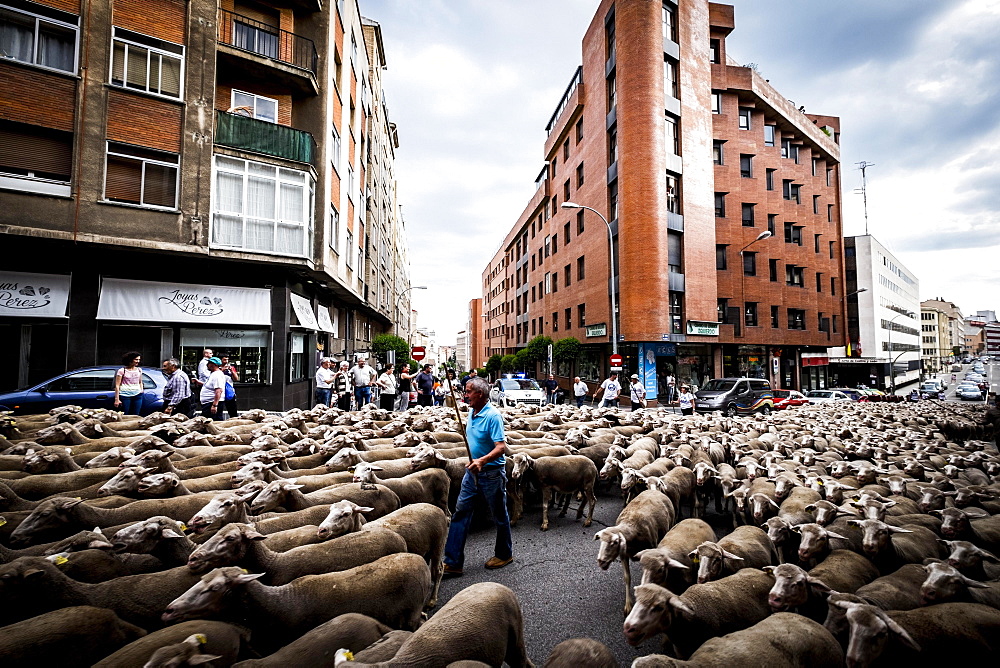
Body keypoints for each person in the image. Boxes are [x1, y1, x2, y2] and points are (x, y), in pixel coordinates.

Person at [443, 377, 514, 576]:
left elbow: (501, 447)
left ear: (480, 394)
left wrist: (482, 461)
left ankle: (504, 553)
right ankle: (453, 562)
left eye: (468, 391)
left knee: (499, 515)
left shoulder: (493, 416)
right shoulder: (472, 412)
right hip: (471, 472)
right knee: (460, 514)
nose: (465, 395)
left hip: (491, 473)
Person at [219, 355, 239, 419]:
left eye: (227, 360)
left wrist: (232, 371)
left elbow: (236, 379)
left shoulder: (231, 367)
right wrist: (222, 370)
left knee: (232, 410)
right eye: (224, 360)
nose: (226, 361)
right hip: (219, 390)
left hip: (229, 391)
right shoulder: (217, 368)